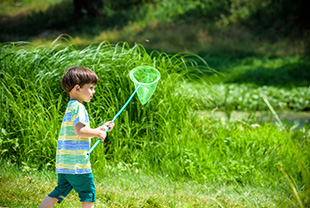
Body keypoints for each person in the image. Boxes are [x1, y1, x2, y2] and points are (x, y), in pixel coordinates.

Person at [39, 66, 115, 208]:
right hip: (77, 164)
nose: (94, 91)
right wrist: (98, 133)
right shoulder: (79, 107)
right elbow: (80, 131)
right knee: (88, 193)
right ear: (77, 88)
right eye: (91, 87)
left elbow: (79, 133)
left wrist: (100, 128)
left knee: (59, 192)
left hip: (65, 164)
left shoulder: (71, 106)